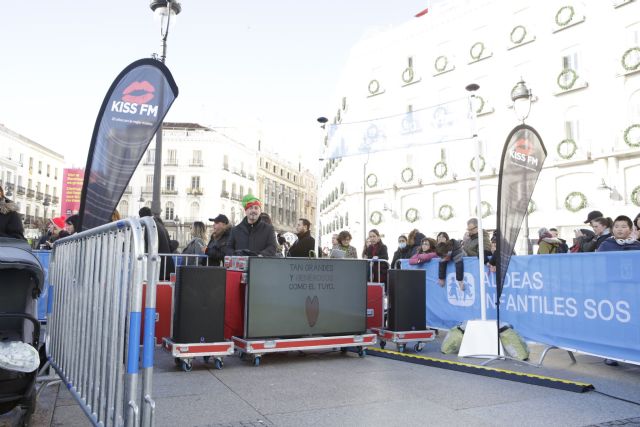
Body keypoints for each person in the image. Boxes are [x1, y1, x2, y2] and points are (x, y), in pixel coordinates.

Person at [139, 207, 175, 280]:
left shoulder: (149, 226)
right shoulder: (160, 225)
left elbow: (147, 247)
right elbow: (170, 245)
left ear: (141, 217)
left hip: (157, 267)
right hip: (167, 266)